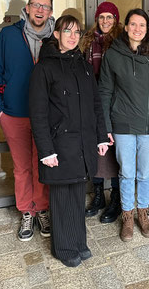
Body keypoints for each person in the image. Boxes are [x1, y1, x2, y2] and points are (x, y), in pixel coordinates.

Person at [29, 15, 109, 267]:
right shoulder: (45, 67)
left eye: (76, 32)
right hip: (59, 145)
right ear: (56, 35)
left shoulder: (84, 65)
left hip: (83, 143)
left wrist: (100, 136)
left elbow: (96, 104)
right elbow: (38, 113)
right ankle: (63, 248)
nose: (73, 36)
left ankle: (78, 242)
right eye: (67, 31)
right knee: (62, 197)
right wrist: (46, 151)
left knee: (77, 194)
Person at [98, 8, 149, 242]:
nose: (137, 29)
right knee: (126, 173)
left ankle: (143, 212)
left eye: (142, 25)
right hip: (122, 125)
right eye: (133, 24)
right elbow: (105, 92)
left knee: (145, 172)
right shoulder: (112, 55)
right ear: (126, 26)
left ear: (147, 28)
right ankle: (127, 215)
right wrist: (107, 126)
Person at [0, 0, 55, 241]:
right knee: (21, 167)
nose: (40, 10)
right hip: (14, 113)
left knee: (42, 163)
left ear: (51, 12)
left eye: (46, 7)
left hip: (47, 116)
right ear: (27, 8)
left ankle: (41, 208)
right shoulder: (9, 35)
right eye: (36, 5)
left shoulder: (55, 38)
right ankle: (26, 211)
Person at [80, 2, 123, 223]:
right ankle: (98, 197)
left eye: (110, 17)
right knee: (96, 150)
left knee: (115, 154)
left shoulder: (121, 42)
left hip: (116, 105)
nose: (105, 21)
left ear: (116, 19)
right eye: (102, 17)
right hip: (92, 103)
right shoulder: (88, 42)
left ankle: (115, 199)